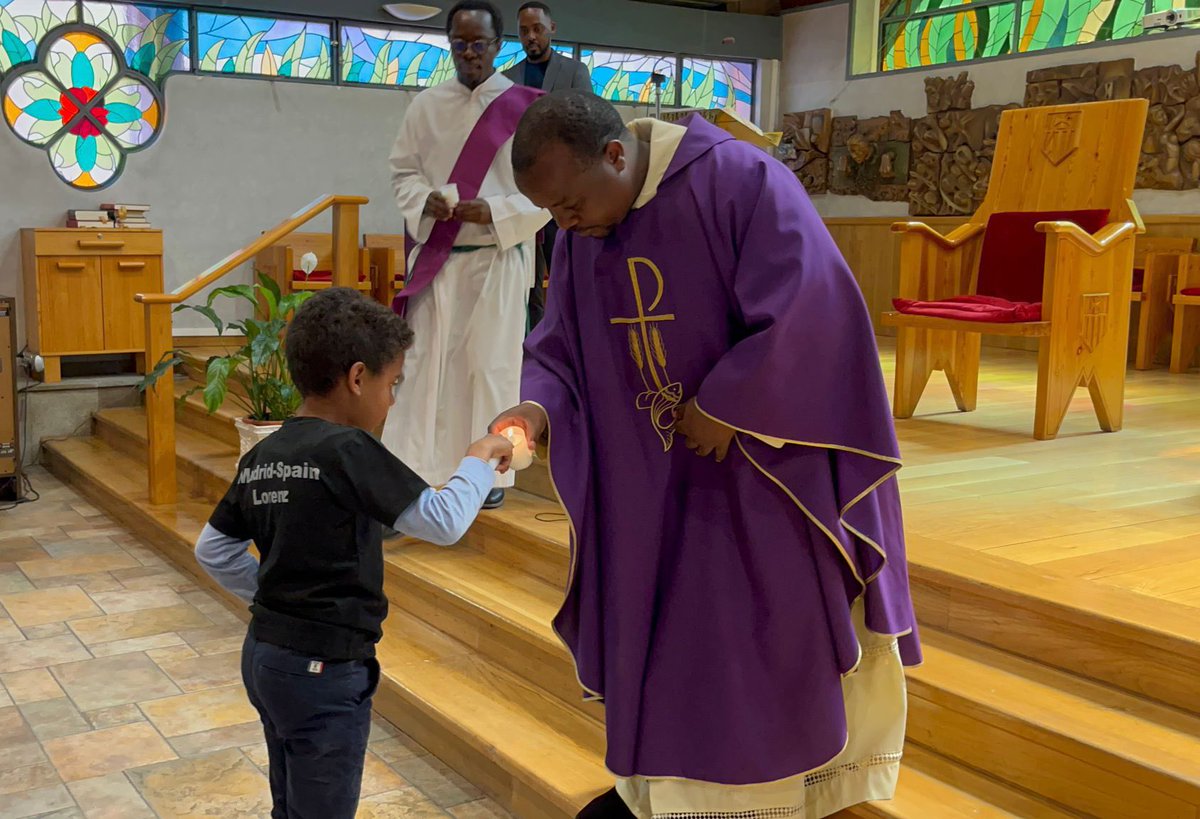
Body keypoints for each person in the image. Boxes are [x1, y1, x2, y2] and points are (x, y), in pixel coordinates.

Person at [492, 91, 922, 819]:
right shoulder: (579, 235)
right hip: (644, 490)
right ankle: (667, 793)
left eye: (567, 203)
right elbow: (558, 347)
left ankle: (767, 797)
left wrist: (730, 401)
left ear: (618, 155)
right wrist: (531, 411)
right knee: (665, 654)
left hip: (754, 485)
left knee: (752, 651)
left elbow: (812, 307)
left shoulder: (739, 181)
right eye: (550, 212)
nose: (561, 224)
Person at [194, 288, 513, 819]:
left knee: (291, 800)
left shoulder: (265, 451)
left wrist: (276, 597)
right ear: (358, 378)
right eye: (392, 385)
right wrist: (478, 458)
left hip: (266, 657)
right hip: (324, 668)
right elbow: (442, 521)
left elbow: (213, 549)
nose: (391, 400)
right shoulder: (348, 449)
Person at [385, 0, 547, 509]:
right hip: (438, 258)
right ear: (449, 44)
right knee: (424, 367)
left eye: (479, 44)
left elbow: (548, 189)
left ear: (499, 46)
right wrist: (424, 201)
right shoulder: (425, 106)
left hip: (498, 258)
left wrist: (494, 211)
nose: (469, 53)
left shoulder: (528, 109)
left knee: (488, 368)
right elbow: (403, 174)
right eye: (460, 44)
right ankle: (413, 473)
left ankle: (489, 474)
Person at [502, 1, 592, 330]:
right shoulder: (507, 80)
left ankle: (570, 335)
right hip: (521, 192)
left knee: (566, 269)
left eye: (537, 28)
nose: (531, 36)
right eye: (524, 31)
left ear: (551, 29)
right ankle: (532, 342)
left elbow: (585, 125)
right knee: (526, 276)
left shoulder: (574, 72)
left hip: (564, 189)